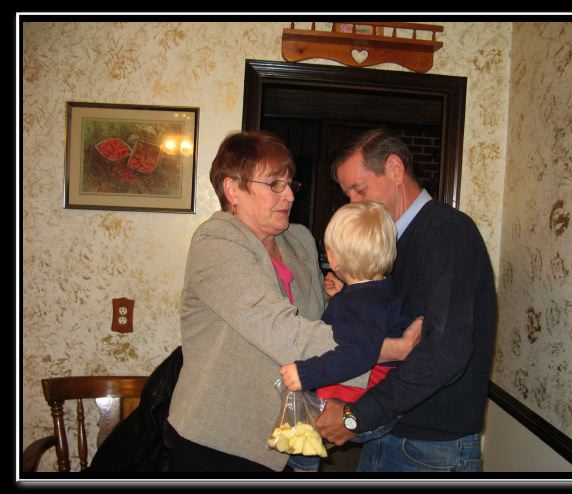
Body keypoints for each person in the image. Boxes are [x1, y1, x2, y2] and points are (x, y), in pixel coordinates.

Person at [166, 130, 422, 473]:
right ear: (232, 189)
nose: (288, 195)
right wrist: (387, 349)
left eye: (289, 184)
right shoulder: (216, 242)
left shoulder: (298, 240)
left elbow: (323, 322)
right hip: (222, 436)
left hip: (293, 433)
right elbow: (282, 332)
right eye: (274, 184)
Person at [315, 128, 497, 473]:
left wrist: (356, 416)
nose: (354, 203)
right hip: (390, 431)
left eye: (360, 189)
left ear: (395, 170)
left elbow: (444, 353)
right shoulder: (388, 242)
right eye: (347, 193)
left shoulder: (447, 232)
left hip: (431, 448)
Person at [279, 200, 412, 472]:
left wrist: (306, 373)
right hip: (386, 395)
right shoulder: (380, 290)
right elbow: (369, 321)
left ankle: (300, 466)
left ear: (333, 258)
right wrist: (343, 295)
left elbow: (357, 355)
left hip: (365, 399)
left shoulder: (360, 304)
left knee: (303, 418)